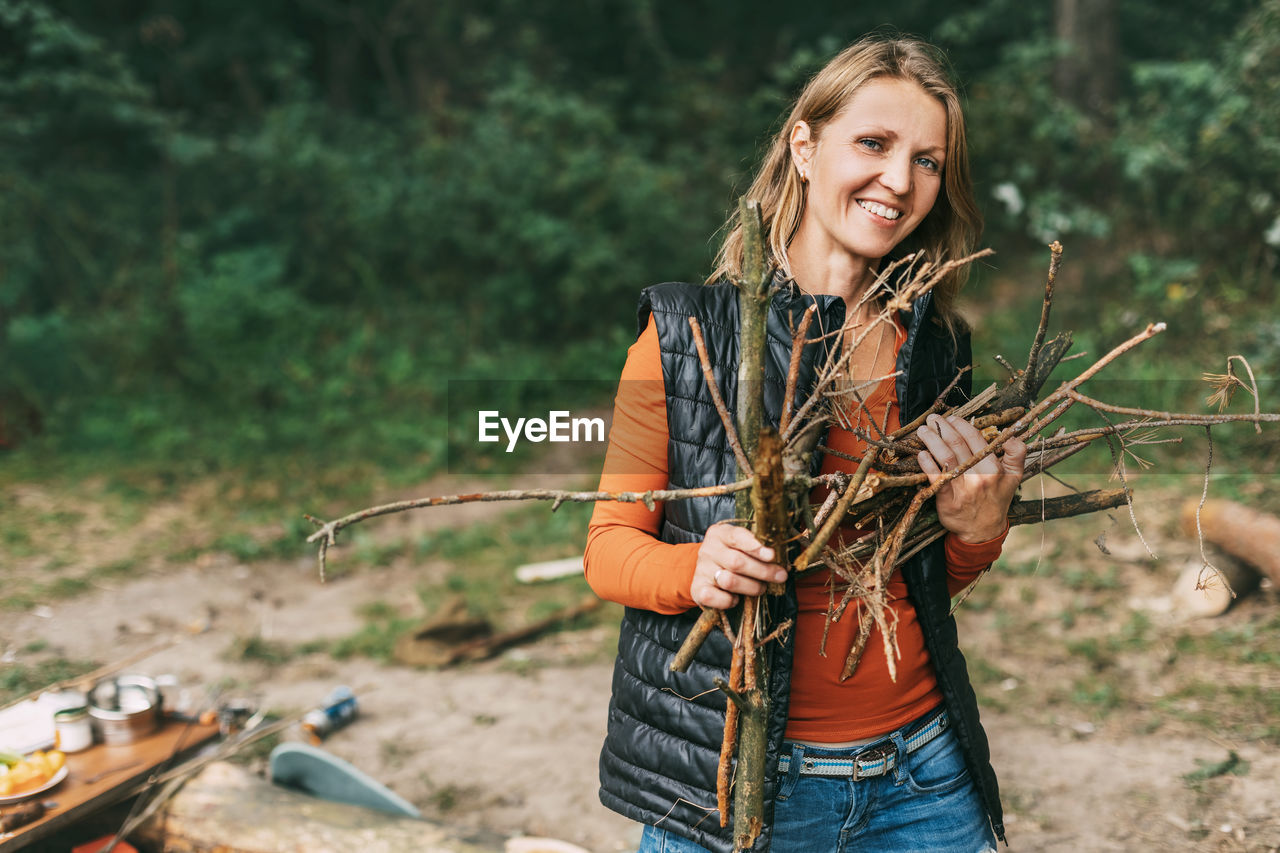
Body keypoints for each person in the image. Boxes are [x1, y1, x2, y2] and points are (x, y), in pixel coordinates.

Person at [584, 34, 1027, 853]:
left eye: (928, 161)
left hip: (921, 773)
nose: (900, 181)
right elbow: (610, 548)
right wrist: (697, 567)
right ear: (803, 145)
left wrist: (978, 527)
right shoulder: (688, 336)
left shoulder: (933, 348)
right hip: (746, 779)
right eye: (874, 144)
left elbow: (925, 580)